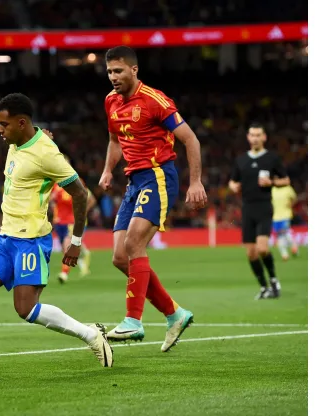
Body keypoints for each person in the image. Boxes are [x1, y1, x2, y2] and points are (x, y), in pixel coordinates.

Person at [0, 93, 113, 374]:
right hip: (5, 237)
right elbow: (34, 138)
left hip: (31, 240)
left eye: (3, 125)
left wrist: (76, 242)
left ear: (21, 123)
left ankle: (91, 335)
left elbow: (80, 194)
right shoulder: (18, 140)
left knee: (26, 309)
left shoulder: (46, 154)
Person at [98, 46, 207, 352]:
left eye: (118, 71)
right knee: (120, 257)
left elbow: (190, 139)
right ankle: (175, 313)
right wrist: (108, 170)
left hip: (159, 175)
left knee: (134, 244)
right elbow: (114, 139)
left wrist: (195, 181)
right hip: (134, 181)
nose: (113, 77)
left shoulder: (155, 100)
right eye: (109, 72)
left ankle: (133, 321)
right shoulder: (110, 101)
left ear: (134, 70)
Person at [228, 123, 290, 299]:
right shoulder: (241, 160)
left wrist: (272, 182)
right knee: (251, 252)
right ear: (248, 137)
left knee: (262, 248)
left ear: (264, 137)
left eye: (258, 135)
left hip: (264, 207)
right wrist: (234, 187)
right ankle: (264, 287)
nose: (255, 138)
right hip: (247, 208)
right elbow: (232, 181)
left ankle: (274, 280)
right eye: (252, 135)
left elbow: (286, 180)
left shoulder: (272, 158)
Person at [50, 160, 96, 283]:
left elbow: (90, 198)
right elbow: (52, 201)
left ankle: (64, 274)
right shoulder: (55, 184)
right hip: (60, 222)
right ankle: (83, 252)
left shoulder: (76, 181)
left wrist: (82, 211)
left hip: (72, 221)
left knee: (67, 245)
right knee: (64, 248)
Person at [271, 184, 299, 261]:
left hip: (286, 215)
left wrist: (291, 203)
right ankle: (284, 254)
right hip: (275, 217)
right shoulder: (272, 189)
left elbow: (295, 198)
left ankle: (294, 246)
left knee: (285, 232)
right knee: (279, 235)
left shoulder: (287, 188)